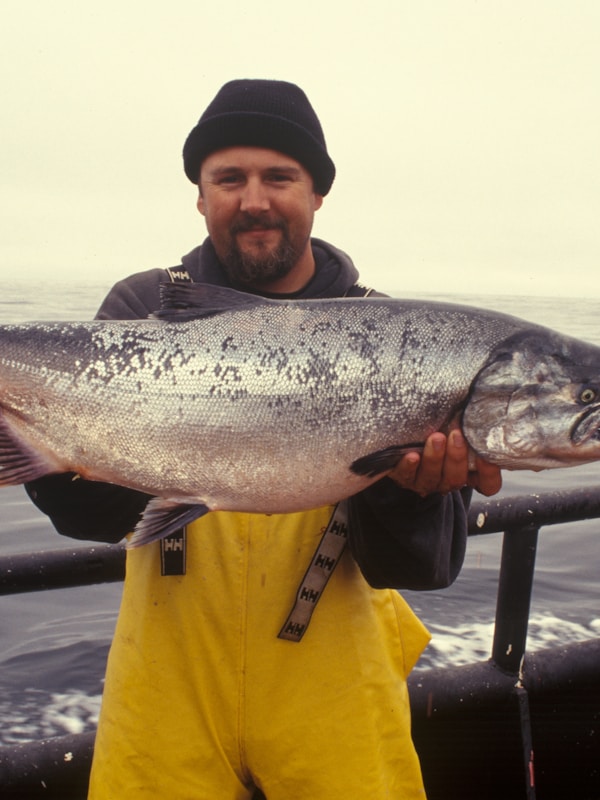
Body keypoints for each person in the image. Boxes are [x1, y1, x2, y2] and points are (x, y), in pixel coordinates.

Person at [26, 79, 502, 799]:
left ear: (317, 194)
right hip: (171, 684)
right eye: (229, 178)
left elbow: (423, 569)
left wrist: (409, 493)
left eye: (280, 176)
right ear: (200, 195)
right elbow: (84, 517)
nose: (254, 199)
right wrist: (38, 434)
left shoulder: (405, 343)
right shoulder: (142, 310)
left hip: (334, 689)